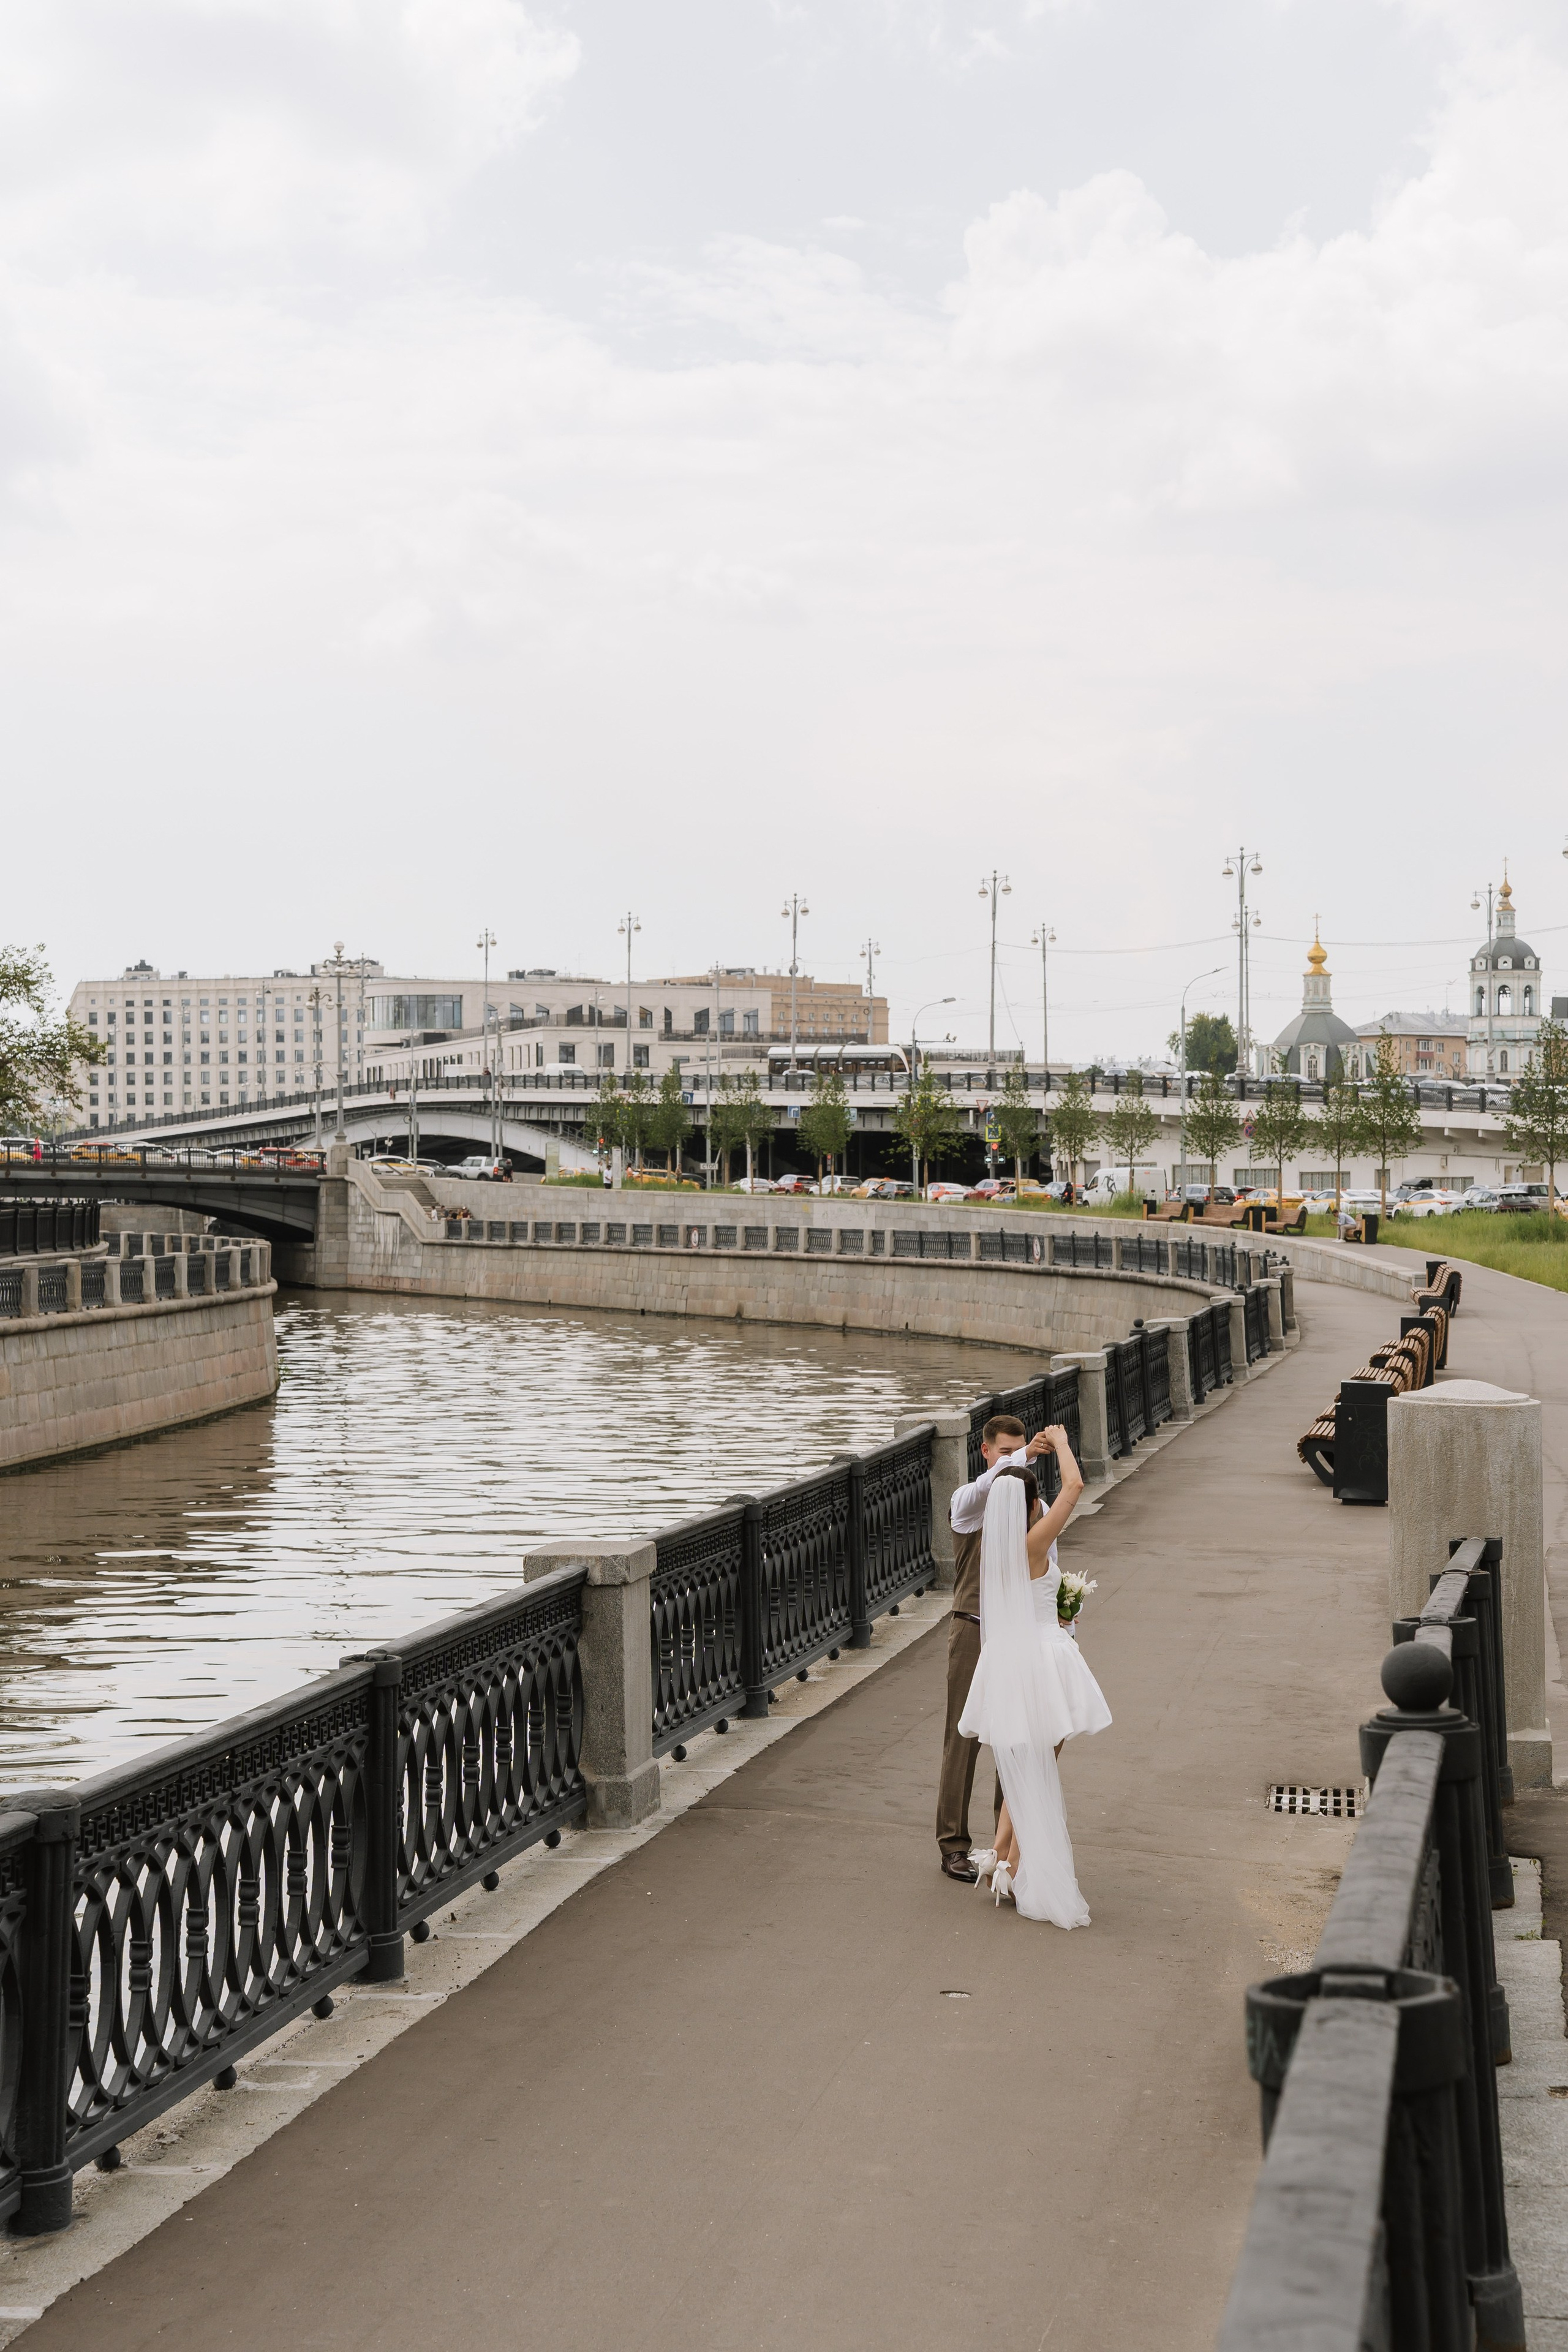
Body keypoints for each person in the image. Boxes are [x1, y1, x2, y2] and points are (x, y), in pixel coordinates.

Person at [961, 1442, 1110, 1925]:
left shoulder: (997, 1554)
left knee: (1026, 1765)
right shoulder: (1033, 1545)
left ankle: (1003, 1857)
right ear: (1028, 1508)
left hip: (1009, 1661)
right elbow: (1075, 1487)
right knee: (1041, 1764)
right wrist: (1063, 1443)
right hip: (1046, 1661)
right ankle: (1017, 1864)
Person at [936, 1414, 1058, 1881]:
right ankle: (952, 1845)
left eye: (1020, 1450)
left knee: (1014, 1738)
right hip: (973, 1630)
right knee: (962, 1740)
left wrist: (1064, 1622)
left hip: (1017, 1638)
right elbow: (987, 1487)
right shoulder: (969, 1503)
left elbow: (1050, 1572)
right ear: (985, 1453)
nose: (1012, 1460)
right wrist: (1021, 1459)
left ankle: (1002, 1847)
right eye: (1004, 1453)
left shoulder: (1036, 1508)